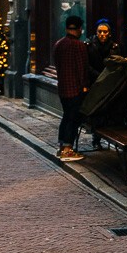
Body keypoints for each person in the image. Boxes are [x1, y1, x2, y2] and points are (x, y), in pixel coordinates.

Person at [53, 16, 90, 163]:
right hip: (75, 89)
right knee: (73, 119)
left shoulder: (58, 44)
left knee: (66, 116)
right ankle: (68, 149)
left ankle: (62, 146)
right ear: (79, 28)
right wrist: (85, 87)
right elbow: (82, 69)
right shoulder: (79, 45)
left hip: (63, 88)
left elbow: (57, 66)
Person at [84, 20, 118, 150]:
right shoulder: (89, 46)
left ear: (109, 33)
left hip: (109, 84)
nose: (102, 34)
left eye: (105, 32)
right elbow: (86, 65)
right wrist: (97, 75)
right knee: (96, 111)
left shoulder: (114, 47)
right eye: (100, 32)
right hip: (95, 83)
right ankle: (96, 138)